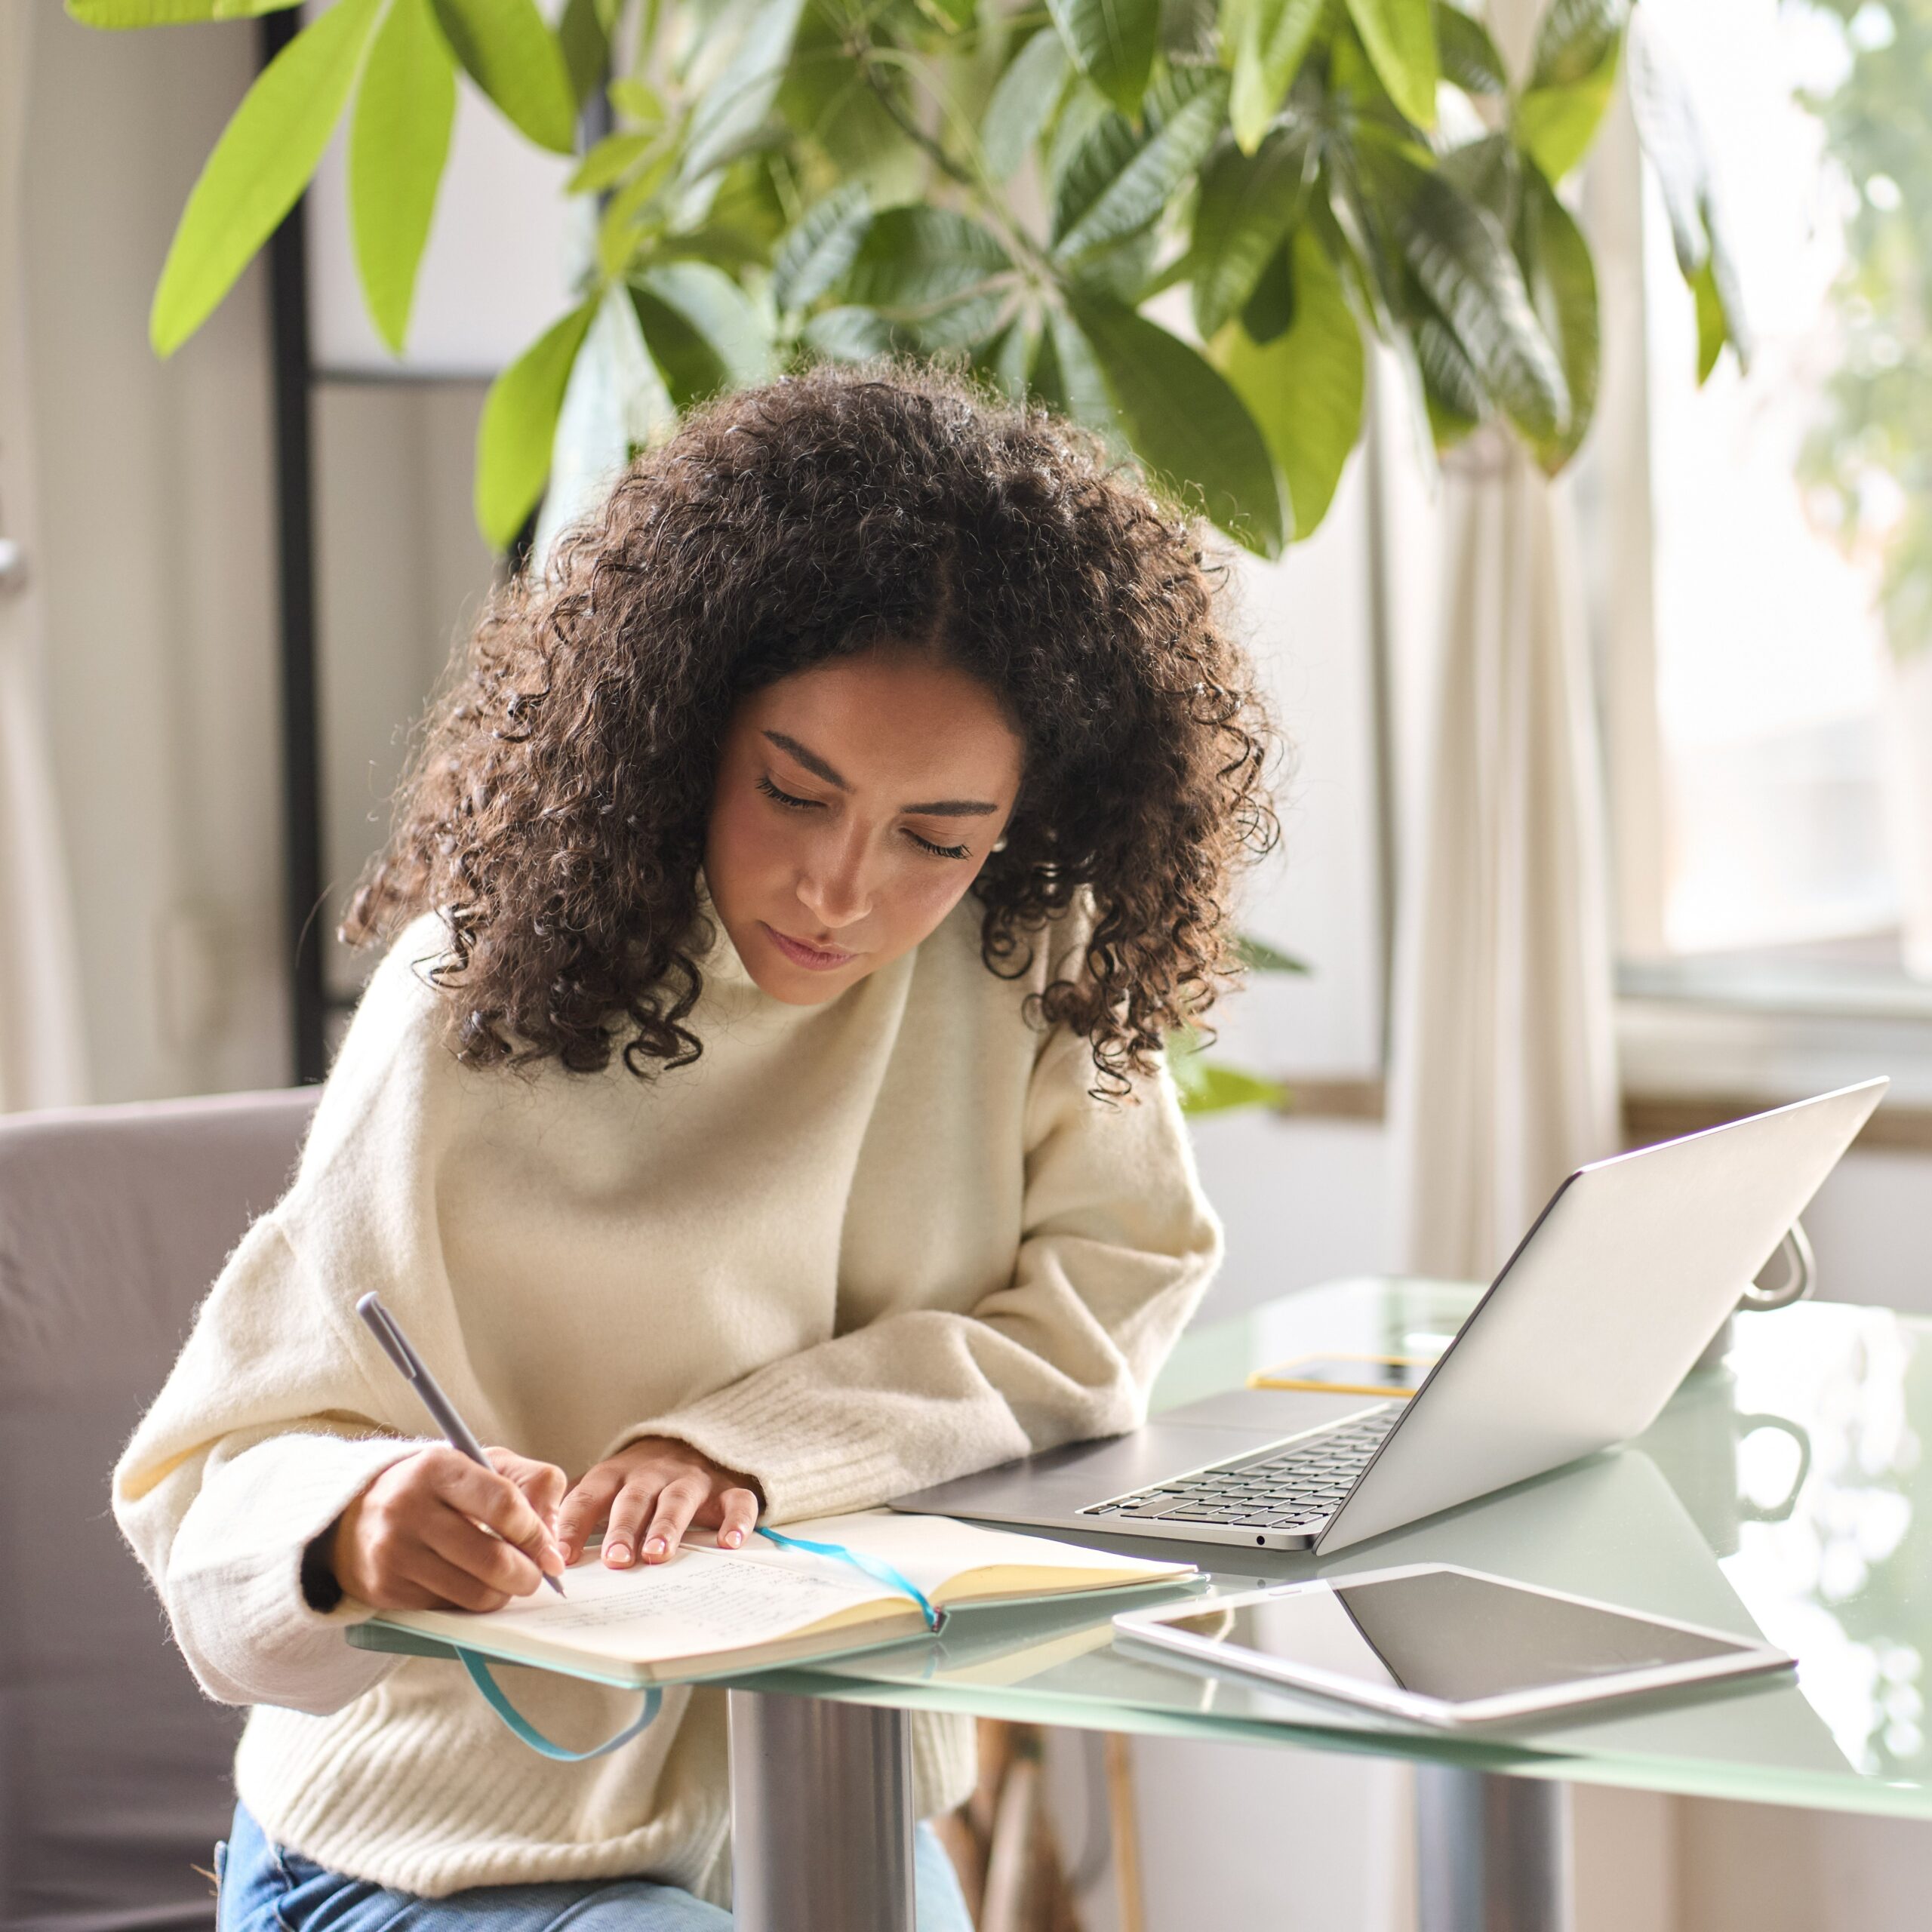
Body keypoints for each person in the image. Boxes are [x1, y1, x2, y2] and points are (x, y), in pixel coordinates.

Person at [113, 365, 1277, 1929]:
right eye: (791, 789)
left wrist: (745, 1443)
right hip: (422, 1846)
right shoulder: (474, 990)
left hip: (817, 1811)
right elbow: (207, 1489)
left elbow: (1103, 1311)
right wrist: (360, 1520)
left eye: (937, 835)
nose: (839, 888)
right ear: (682, 719)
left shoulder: (1018, 964)